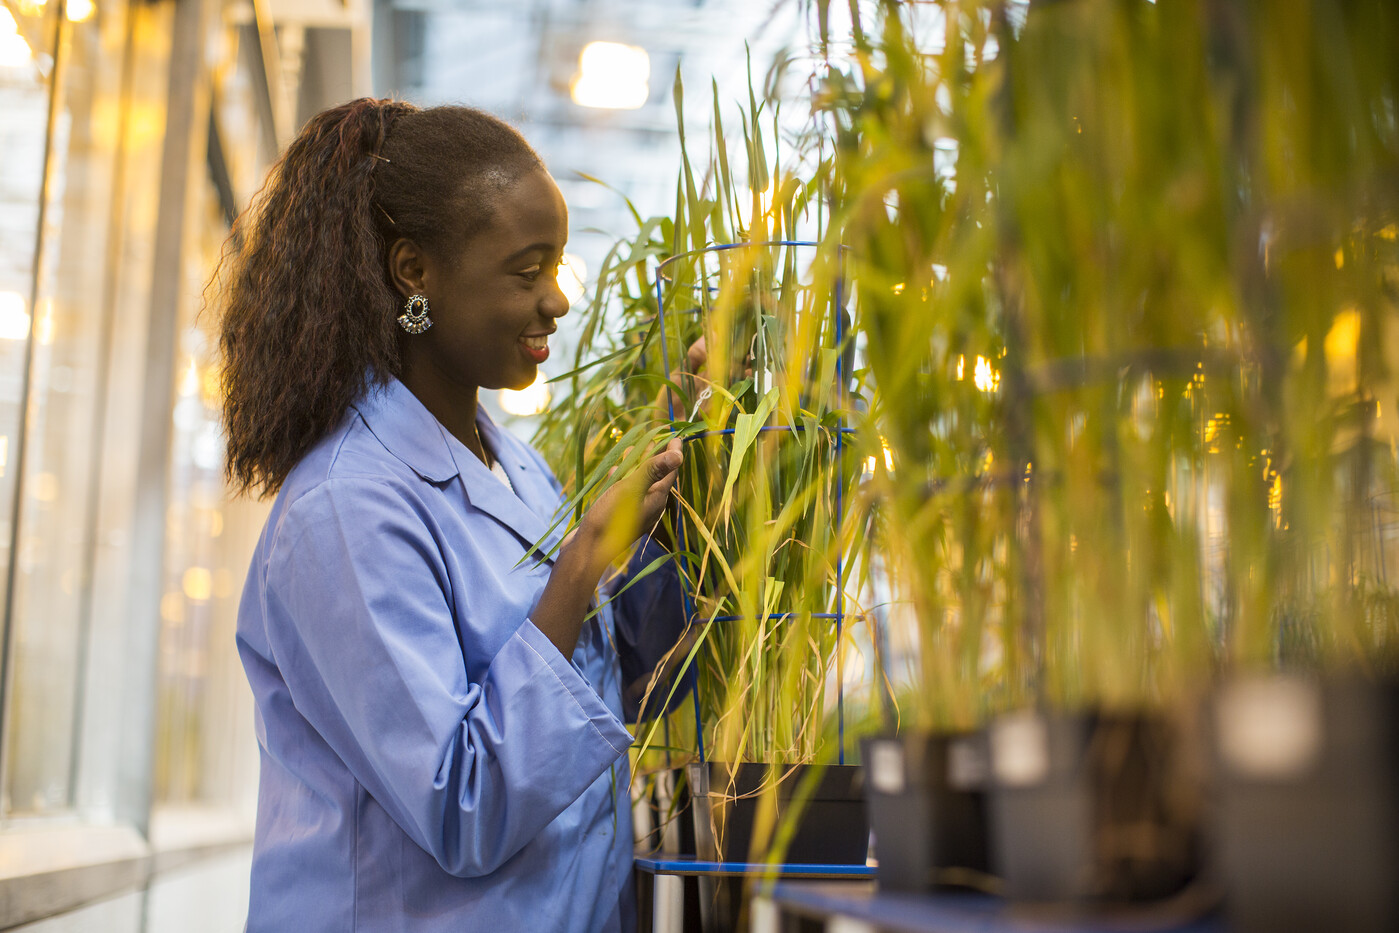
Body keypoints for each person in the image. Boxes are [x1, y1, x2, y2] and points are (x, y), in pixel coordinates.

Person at [218, 98, 689, 932]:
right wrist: (580, 563)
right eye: (525, 269)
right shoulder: (344, 511)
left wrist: (684, 479)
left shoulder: (518, 469)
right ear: (414, 273)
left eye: (559, 268)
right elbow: (460, 802)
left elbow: (615, 690)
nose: (557, 301)